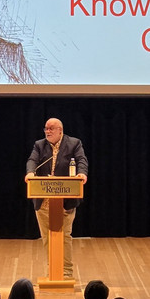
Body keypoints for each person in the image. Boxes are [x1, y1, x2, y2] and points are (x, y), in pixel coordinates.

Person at [25, 117, 88, 280]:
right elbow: (32, 160)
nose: (48, 131)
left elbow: (81, 160)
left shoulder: (74, 143)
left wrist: (82, 173)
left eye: (51, 128)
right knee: (47, 238)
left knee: (65, 236)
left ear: (60, 130)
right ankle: (52, 270)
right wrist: (30, 172)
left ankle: (66, 272)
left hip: (65, 200)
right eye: (46, 128)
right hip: (43, 200)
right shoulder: (40, 145)